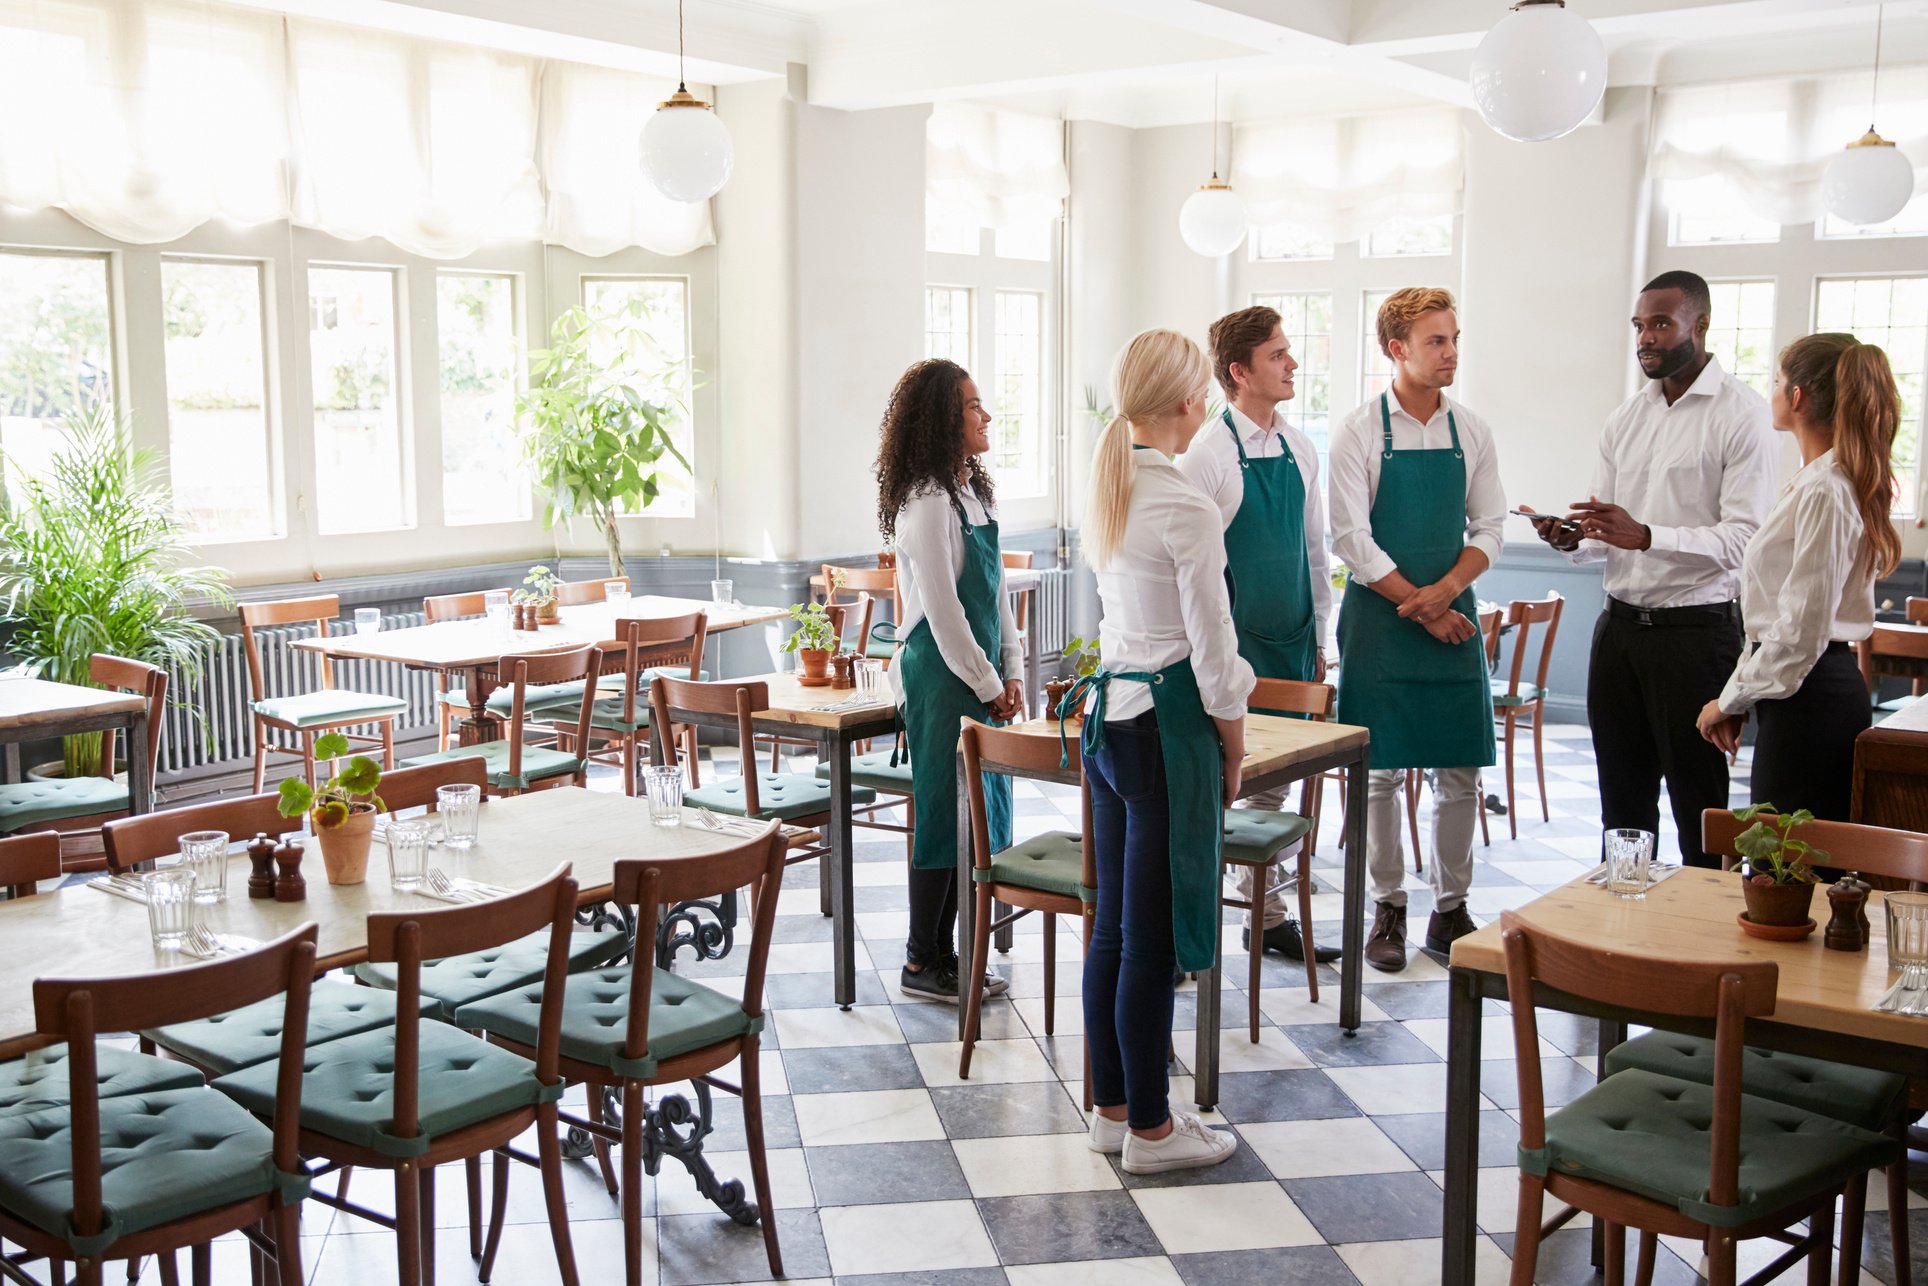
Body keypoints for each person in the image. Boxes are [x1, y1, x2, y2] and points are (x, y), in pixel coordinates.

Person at [1071, 329, 1252, 1174]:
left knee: (1110, 927)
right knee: (1147, 940)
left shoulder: (1110, 484)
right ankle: (1152, 1130)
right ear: (1191, 403)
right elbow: (1213, 654)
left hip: (1108, 719)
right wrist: (1236, 741)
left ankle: (1112, 1108)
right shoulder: (1182, 503)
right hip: (1160, 725)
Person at [1528, 271, 1775, 866]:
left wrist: (1646, 536)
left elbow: (1746, 539)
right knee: (1621, 804)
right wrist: (1571, 539)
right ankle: (1626, 937)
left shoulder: (1743, 415)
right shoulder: (1626, 418)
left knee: (1700, 809)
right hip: (1617, 634)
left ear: (1701, 324)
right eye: (1639, 326)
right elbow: (1607, 534)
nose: (1646, 338)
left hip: (1696, 635)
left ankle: (1701, 948)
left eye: (1661, 323)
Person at [1329, 287, 1503, 972]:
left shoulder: (1474, 430)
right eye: (1437, 340)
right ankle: (1388, 907)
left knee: (1458, 771)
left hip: (1452, 617)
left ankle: (1451, 907)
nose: (1451, 351)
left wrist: (1448, 592)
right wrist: (1425, 606)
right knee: (1381, 775)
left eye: (1454, 338)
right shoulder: (1359, 431)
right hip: (1383, 622)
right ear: (1396, 349)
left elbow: (1490, 527)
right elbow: (1351, 538)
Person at [1176, 304, 1338, 965]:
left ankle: (1265, 915)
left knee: (1279, 785)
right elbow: (1193, 570)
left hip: (1295, 637)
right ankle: (1194, 921)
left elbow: (1315, 549)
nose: (1293, 364)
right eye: (1278, 354)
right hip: (1236, 647)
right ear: (1240, 372)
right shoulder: (1208, 455)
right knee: (1222, 785)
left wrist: (1322, 634)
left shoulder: (1301, 446)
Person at [1696, 334, 1898, 821]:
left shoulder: (1826, 490)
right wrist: (1746, 694)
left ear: (1798, 397)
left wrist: (1729, 699)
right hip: (1803, 690)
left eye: (1777, 382)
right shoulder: (1819, 482)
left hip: (1812, 694)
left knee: (1788, 871)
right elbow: (1777, 621)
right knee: (1784, 868)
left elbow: (1799, 630)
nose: (1773, 392)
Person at [874, 358, 1025, 1004]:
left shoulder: (971, 495)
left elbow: (993, 602)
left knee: (977, 818)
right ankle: (921, 959)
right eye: (972, 406)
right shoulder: (927, 505)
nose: (985, 415)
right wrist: (989, 682)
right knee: (941, 813)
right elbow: (943, 612)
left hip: (977, 671)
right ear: (942, 419)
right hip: (940, 674)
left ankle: (953, 952)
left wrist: (1011, 671)